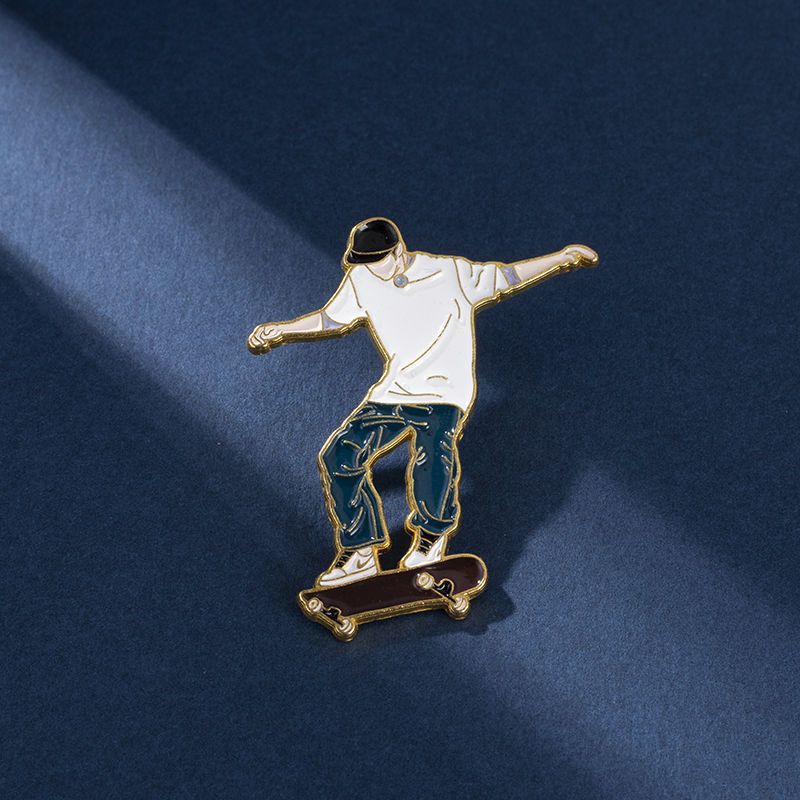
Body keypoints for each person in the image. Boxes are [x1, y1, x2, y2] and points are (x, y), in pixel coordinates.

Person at [248, 218, 598, 587]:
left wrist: (562, 258)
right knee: (340, 456)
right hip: (394, 393)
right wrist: (283, 330)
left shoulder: (450, 272)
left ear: (398, 253)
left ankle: (431, 537)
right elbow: (330, 319)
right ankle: (361, 551)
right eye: (364, 264)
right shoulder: (361, 278)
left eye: (378, 263)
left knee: (432, 454)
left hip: (445, 394)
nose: (371, 271)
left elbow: (508, 276)